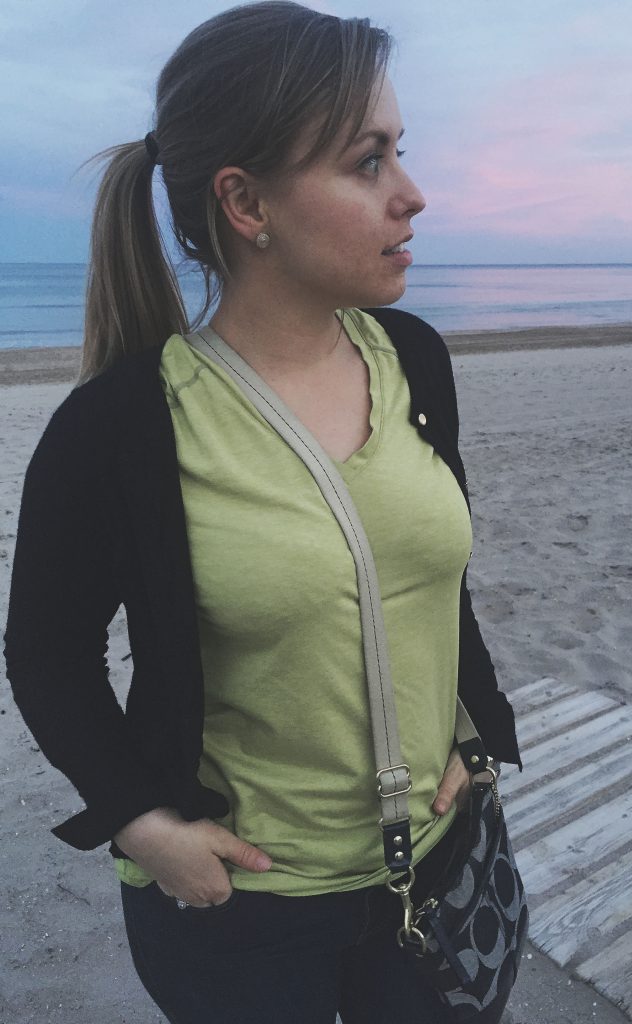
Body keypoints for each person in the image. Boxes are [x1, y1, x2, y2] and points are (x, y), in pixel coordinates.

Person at [4, 3, 522, 1022]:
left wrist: (480, 729)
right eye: (368, 162)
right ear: (247, 203)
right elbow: (46, 651)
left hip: (432, 876)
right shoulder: (122, 426)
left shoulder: (414, 358)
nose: (412, 196)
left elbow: (427, 577)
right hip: (242, 907)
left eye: (399, 154)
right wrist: (141, 820)